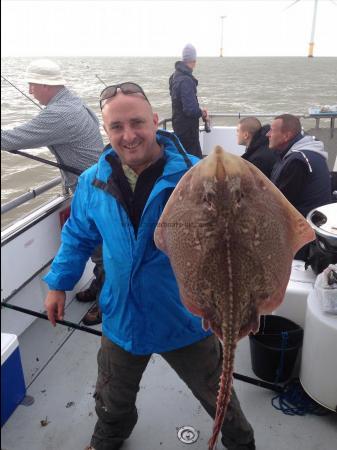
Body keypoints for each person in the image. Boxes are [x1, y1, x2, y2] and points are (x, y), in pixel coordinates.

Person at [43, 82, 255, 450]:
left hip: (184, 316)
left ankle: (241, 442)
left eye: (137, 122)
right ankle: (108, 436)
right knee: (110, 397)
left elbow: (236, 242)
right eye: (116, 127)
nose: (128, 135)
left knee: (218, 394)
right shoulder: (93, 180)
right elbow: (78, 234)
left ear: (155, 121)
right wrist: (57, 283)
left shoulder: (198, 178)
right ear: (105, 131)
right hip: (122, 316)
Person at [1, 58, 104, 325]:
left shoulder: (59, 114)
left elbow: (10, 139)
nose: (30, 89)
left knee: (102, 249)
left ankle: (107, 301)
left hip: (92, 190)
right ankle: (101, 284)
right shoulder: (72, 102)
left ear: (46, 85)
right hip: (99, 184)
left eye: (33, 84)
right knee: (98, 245)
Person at [267, 113, 331, 260]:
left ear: (286, 136)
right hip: (315, 225)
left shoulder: (297, 161)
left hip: (303, 240)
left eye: (272, 130)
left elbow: (280, 207)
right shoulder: (302, 153)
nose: (267, 134)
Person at [169, 43, 208, 158]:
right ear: (193, 61)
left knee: (184, 158)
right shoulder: (186, 80)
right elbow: (190, 110)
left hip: (178, 125)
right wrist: (202, 112)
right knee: (194, 161)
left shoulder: (174, 76)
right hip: (188, 131)